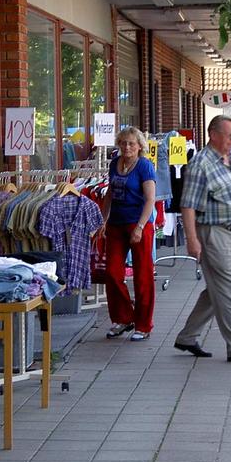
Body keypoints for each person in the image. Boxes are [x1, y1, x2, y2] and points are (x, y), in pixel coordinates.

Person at [174, 115, 231, 365]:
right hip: (214, 234)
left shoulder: (227, 160)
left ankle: (187, 337)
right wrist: (192, 240)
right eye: (229, 135)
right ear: (213, 134)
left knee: (216, 289)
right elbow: (188, 206)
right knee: (227, 289)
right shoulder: (200, 164)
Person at [102, 127, 156, 341]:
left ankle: (144, 324)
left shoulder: (144, 166)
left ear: (139, 146)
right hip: (116, 223)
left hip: (138, 224)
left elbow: (150, 199)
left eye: (131, 143)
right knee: (112, 273)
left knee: (143, 276)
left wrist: (140, 227)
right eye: (123, 143)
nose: (127, 147)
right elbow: (110, 194)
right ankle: (123, 318)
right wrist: (102, 219)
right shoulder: (114, 164)